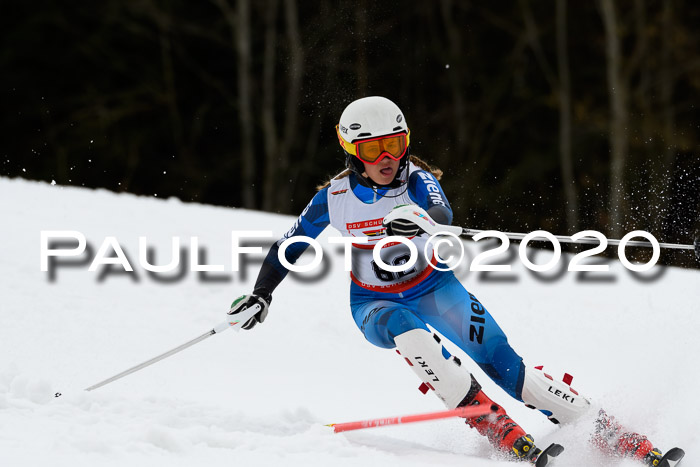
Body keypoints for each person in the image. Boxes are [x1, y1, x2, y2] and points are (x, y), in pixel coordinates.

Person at [229, 96, 669, 465]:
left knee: (507, 366)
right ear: (350, 151)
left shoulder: (416, 179)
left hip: (437, 290)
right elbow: (291, 243)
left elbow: (442, 214)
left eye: (395, 145)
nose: (386, 159)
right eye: (372, 149)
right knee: (409, 332)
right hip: (373, 303)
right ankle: (491, 422)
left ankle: (608, 430)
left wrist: (416, 218)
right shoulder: (335, 198)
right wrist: (261, 294)